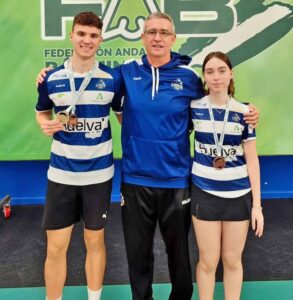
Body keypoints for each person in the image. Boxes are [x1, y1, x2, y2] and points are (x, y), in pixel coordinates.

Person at [36, 12, 259, 300]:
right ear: (142, 37)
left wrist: (249, 112)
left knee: (179, 256)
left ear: (172, 38)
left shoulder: (189, 79)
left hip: (176, 180)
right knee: (138, 256)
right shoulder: (124, 74)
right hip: (135, 179)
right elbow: (88, 75)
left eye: (164, 32)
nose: (157, 37)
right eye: (151, 32)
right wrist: (44, 77)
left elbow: (216, 100)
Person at [35, 12, 121, 300]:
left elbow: (125, 119)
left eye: (93, 36)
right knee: (56, 247)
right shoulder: (50, 78)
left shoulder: (112, 79)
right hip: (61, 173)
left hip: (98, 175)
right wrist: (43, 123)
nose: (87, 40)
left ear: (101, 40)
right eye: (82, 34)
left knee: (94, 241)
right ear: (72, 36)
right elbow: (41, 111)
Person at [190, 51, 264, 300]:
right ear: (204, 77)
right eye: (210, 71)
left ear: (230, 74)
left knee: (232, 260)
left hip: (238, 194)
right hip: (204, 192)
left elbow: (252, 160)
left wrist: (257, 206)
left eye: (221, 70)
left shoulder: (245, 112)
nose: (216, 77)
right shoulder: (194, 108)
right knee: (208, 261)